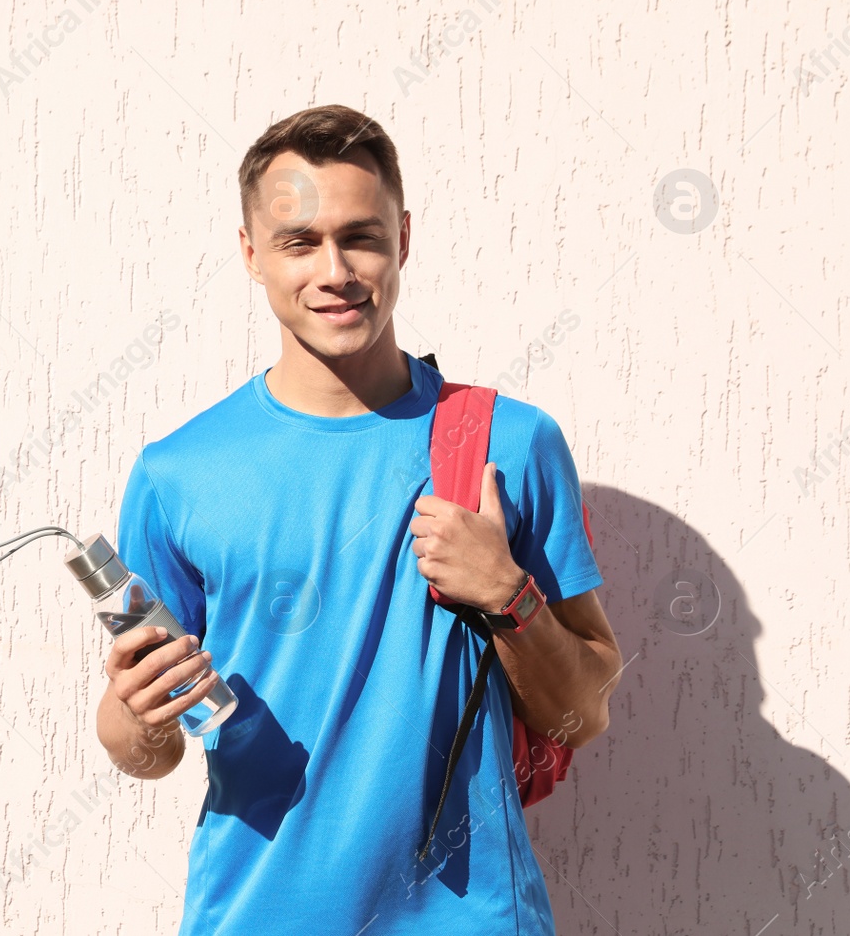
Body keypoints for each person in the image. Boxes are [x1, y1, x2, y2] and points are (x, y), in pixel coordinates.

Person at [95, 104, 624, 934]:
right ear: (251, 255)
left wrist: (511, 597)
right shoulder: (175, 474)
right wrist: (135, 712)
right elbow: (147, 753)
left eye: (361, 236)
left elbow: (584, 712)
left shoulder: (508, 443)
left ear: (402, 239)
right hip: (255, 915)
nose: (334, 269)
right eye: (299, 241)